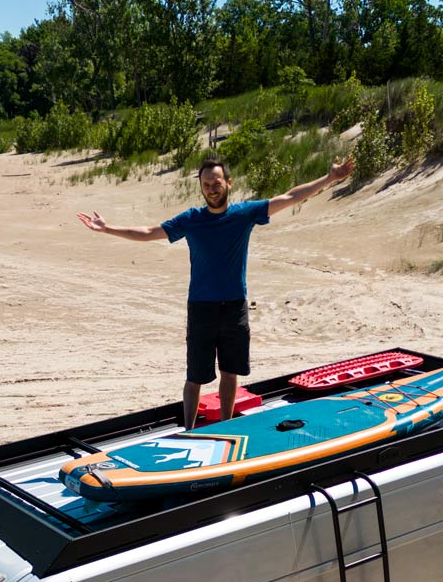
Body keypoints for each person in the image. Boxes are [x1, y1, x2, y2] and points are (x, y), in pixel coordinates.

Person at [77, 153, 355, 429]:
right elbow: (150, 232)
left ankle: (226, 425)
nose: (212, 188)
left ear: (228, 183)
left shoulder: (244, 214)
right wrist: (108, 228)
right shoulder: (191, 219)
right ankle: (188, 428)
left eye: (217, 182)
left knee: (230, 371)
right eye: (207, 184)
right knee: (195, 375)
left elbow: (289, 197)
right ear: (201, 187)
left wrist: (330, 178)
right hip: (201, 307)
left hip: (234, 306)